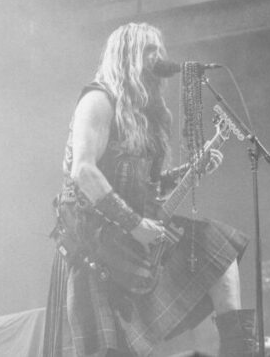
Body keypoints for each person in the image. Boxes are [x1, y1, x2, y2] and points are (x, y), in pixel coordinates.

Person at [42, 23, 254, 357]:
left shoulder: (150, 117)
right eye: (148, 50)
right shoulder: (98, 99)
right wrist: (134, 224)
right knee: (110, 351)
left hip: (131, 240)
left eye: (159, 49)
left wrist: (187, 173)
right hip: (95, 243)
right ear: (125, 56)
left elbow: (146, 190)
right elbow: (83, 170)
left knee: (218, 249)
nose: (157, 57)